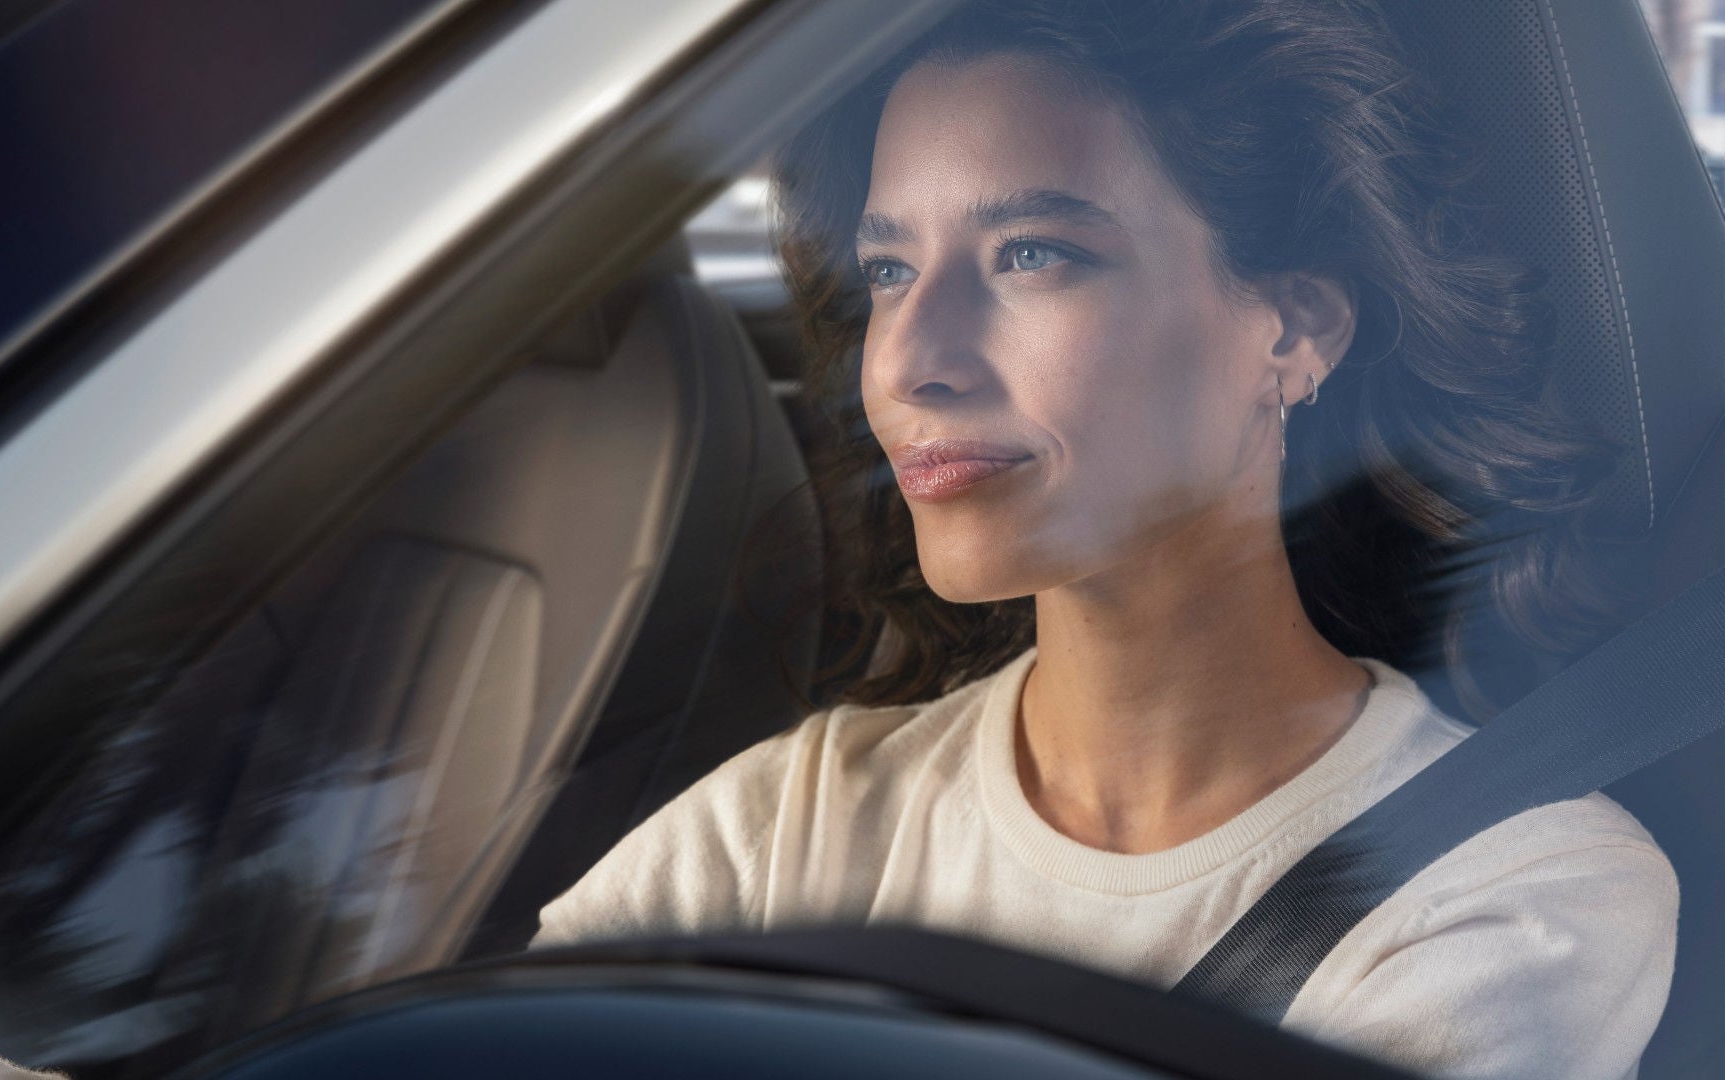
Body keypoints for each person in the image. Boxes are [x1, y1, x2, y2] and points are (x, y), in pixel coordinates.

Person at [534, 2, 1677, 1076]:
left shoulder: (1517, 892)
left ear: (1294, 329)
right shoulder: (787, 825)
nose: (907, 359)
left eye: (1032, 253)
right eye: (889, 270)